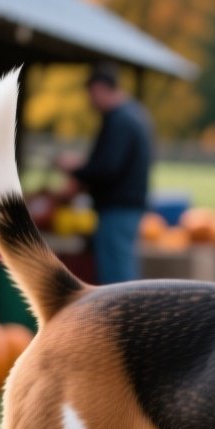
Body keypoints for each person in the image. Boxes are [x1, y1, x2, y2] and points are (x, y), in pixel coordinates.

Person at [57, 63, 154, 285]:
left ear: (101, 89)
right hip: (125, 207)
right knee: (121, 270)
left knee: (117, 278)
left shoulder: (120, 121)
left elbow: (107, 167)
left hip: (118, 209)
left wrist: (76, 169)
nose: (90, 101)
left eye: (91, 94)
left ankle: (123, 319)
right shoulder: (133, 114)